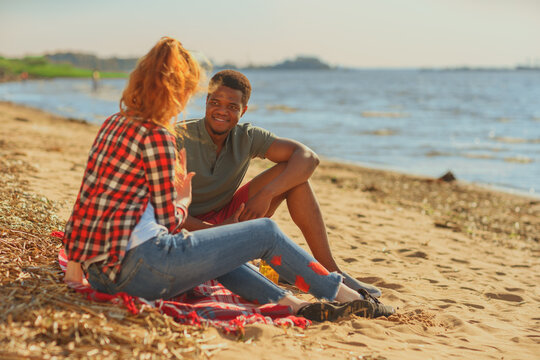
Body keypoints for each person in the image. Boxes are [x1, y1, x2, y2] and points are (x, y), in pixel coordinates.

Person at [62, 37, 394, 322]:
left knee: (214, 255)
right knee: (265, 231)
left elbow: (85, 200)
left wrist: (75, 274)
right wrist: (182, 197)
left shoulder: (112, 123)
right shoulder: (161, 138)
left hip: (104, 275)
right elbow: (168, 219)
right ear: (179, 90)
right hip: (143, 270)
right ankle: (348, 296)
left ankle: (288, 304)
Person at [176, 70, 381, 297]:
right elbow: (164, 210)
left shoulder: (247, 136)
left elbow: (308, 158)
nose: (222, 111)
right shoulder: (179, 137)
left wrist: (266, 194)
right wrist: (213, 230)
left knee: (294, 178)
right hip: (186, 226)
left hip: (230, 217)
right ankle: (280, 268)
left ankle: (331, 270)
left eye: (232, 106)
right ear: (206, 103)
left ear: (243, 111)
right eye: (215, 102)